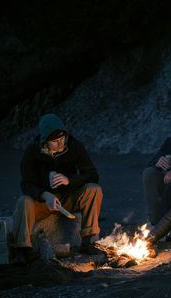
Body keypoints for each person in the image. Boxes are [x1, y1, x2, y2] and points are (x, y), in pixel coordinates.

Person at [12, 113, 103, 264]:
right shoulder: (32, 152)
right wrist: (44, 195)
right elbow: (26, 184)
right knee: (24, 201)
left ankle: (88, 241)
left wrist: (70, 180)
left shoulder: (75, 147)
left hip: (68, 199)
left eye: (63, 139)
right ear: (45, 141)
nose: (60, 144)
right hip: (43, 203)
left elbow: (92, 175)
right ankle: (23, 249)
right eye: (55, 141)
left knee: (94, 189)